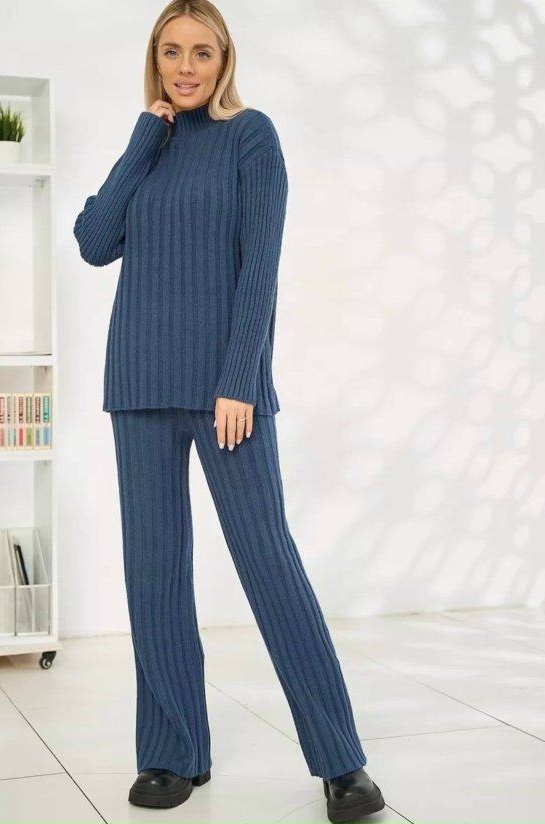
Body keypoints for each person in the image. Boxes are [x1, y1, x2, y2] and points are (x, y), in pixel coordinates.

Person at [73, 1, 386, 821]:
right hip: (139, 385)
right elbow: (94, 241)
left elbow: (260, 265)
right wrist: (142, 139)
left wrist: (239, 378)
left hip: (225, 393)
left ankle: (341, 760)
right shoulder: (150, 146)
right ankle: (172, 752)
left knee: (268, 563)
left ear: (224, 60)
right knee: (154, 573)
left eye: (201, 52)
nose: (186, 67)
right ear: (155, 59)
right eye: (171, 51)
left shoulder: (252, 137)